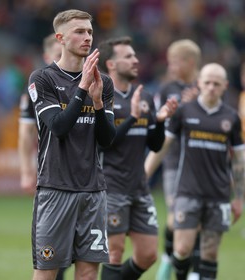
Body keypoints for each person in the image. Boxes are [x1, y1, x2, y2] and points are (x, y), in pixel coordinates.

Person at [28, 9, 116, 280]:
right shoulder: (43, 79)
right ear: (61, 38)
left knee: (88, 274)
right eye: (79, 31)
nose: (87, 37)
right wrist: (82, 91)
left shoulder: (105, 83)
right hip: (56, 189)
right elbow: (59, 127)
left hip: (93, 191)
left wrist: (98, 103)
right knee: (47, 273)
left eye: (89, 31)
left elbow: (106, 140)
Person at [146, 63, 244, 280]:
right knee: (181, 250)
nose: (211, 87)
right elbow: (163, 146)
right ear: (199, 83)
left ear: (225, 86)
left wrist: (239, 198)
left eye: (216, 84)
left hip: (218, 195)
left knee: (210, 253)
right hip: (187, 192)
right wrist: (144, 174)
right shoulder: (184, 112)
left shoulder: (231, 118)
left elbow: (239, 161)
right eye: (207, 82)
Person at [97, 36, 177, 280]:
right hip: (111, 187)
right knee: (115, 252)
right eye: (128, 56)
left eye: (135, 55)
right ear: (111, 64)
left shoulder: (143, 96)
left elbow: (154, 144)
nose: (136, 60)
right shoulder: (102, 96)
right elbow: (105, 141)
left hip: (139, 188)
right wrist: (131, 117)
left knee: (148, 254)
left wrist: (160, 122)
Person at [144, 39, 202, 280]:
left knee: (195, 221)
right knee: (177, 217)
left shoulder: (206, 86)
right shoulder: (168, 90)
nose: (171, 68)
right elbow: (160, 124)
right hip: (173, 160)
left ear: (190, 62)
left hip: (200, 163)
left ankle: (189, 268)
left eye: (175, 63)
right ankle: (170, 259)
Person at [19, 33, 62, 195]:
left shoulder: (85, 83)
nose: (62, 59)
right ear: (46, 57)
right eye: (58, 55)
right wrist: (26, 172)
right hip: (50, 168)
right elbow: (25, 132)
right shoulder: (35, 87)